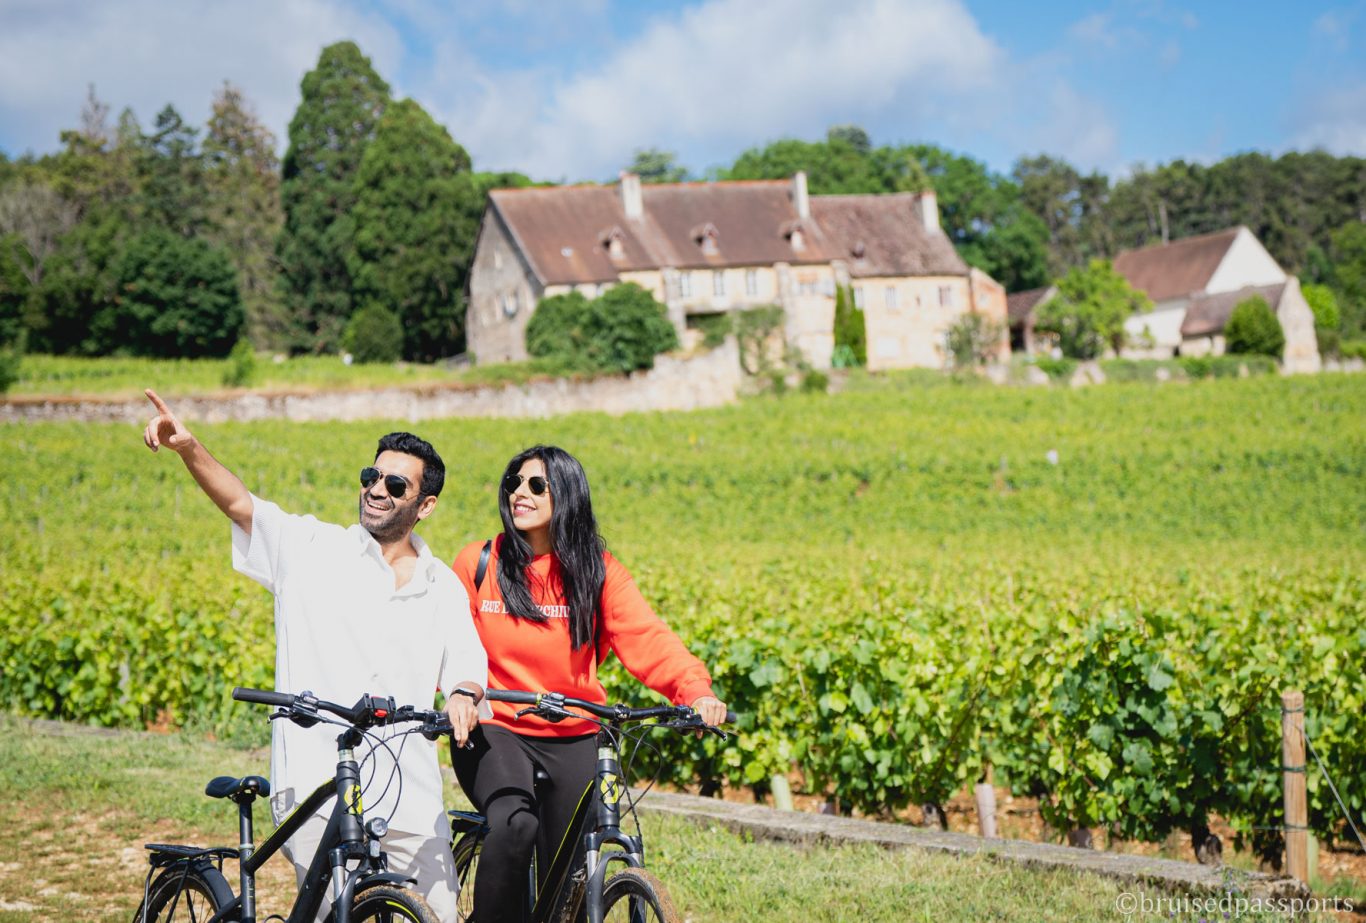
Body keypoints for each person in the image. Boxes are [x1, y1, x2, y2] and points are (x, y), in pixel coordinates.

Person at [141, 388, 487, 923]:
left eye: (395, 484)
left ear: (426, 505)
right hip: (319, 783)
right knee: (337, 912)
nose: (376, 489)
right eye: (370, 476)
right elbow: (240, 504)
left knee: (437, 914)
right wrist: (189, 448)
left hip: (410, 793)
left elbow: (465, 661)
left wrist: (465, 693)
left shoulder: (442, 586)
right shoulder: (311, 548)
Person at [450, 445, 727, 923]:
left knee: (575, 884)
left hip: (575, 730)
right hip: (497, 727)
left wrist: (694, 691)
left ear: (567, 496)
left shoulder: (596, 571)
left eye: (537, 485)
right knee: (515, 827)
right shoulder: (479, 563)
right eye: (515, 482)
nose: (520, 492)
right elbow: (449, 643)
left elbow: (647, 636)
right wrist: (457, 694)